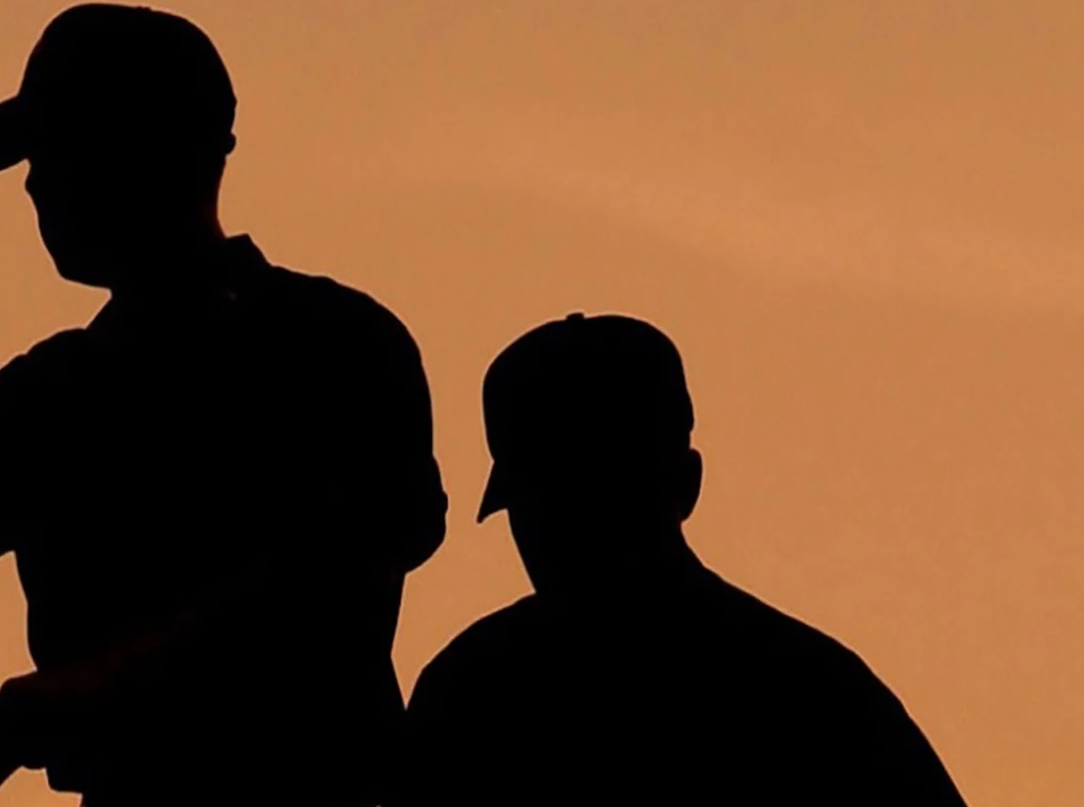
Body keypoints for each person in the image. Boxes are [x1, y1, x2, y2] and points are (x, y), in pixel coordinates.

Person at [0, 3, 447, 807]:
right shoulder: (59, 396)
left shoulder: (335, 349)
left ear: (157, 151)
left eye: (64, 148)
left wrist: (106, 683)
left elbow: (337, 571)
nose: (35, 180)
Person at [394, 313, 965, 806]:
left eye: (594, 494)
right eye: (553, 500)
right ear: (688, 485)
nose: (563, 531)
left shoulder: (473, 691)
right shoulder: (818, 692)